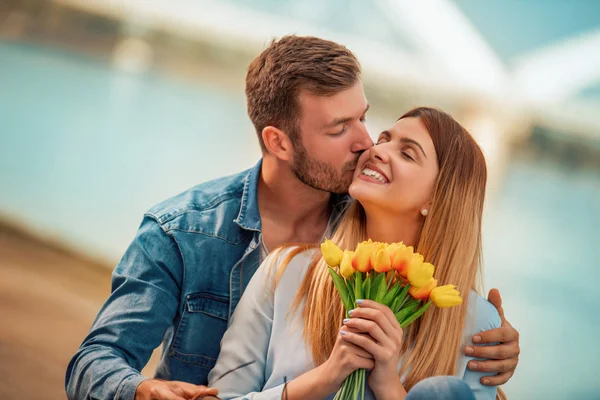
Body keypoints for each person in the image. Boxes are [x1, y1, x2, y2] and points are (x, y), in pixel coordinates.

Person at [65, 36, 519, 400]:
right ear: (279, 143)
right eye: (339, 129)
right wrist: (141, 388)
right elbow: (98, 359)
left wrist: (487, 343)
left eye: (363, 118)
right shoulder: (182, 233)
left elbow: (438, 259)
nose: (366, 143)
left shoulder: (372, 219)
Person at [208, 107, 507, 400]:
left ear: (438, 198)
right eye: (382, 140)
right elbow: (222, 396)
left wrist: (389, 385)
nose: (376, 150)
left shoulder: (478, 324)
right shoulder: (286, 271)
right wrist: (325, 377)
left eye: (407, 153)